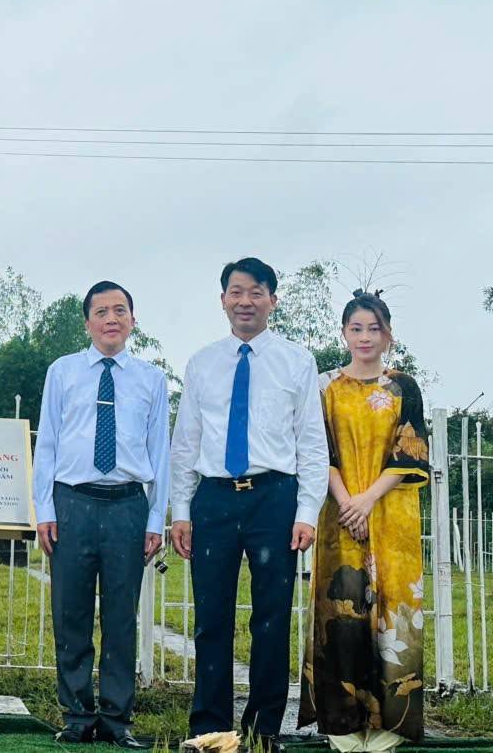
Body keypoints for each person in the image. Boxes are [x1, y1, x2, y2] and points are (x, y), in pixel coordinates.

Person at [169, 257, 329, 753]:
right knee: (211, 617)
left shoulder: (297, 362)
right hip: (214, 499)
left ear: (272, 301)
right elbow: (185, 442)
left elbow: (312, 444)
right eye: (236, 292)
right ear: (222, 300)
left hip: (274, 499)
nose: (245, 301)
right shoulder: (202, 363)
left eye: (256, 292)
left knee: (271, 616)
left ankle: (264, 730)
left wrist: (306, 513)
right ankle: (210, 728)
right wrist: (181, 509)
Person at [33, 280, 170, 750]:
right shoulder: (63, 372)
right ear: (88, 322)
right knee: (70, 612)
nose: (111, 319)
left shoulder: (151, 379)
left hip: (128, 506)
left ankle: (116, 718)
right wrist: (45, 509)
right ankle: (76, 715)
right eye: (101, 311)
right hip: (72, 502)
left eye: (120, 310)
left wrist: (156, 519)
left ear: (133, 319)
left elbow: (161, 453)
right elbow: (47, 443)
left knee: (121, 617)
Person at [298, 291, 429, 752]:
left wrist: (368, 501)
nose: (366, 337)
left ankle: (391, 725)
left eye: (374, 328)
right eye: (357, 328)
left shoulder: (403, 387)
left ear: (388, 333)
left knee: (395, 614)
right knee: (344, 613)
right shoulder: (326, 387)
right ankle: (344, 725)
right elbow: (319, 452)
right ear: (344, 333)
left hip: (391, 514)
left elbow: (410, 453)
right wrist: (348, 502)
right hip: (338, 514)